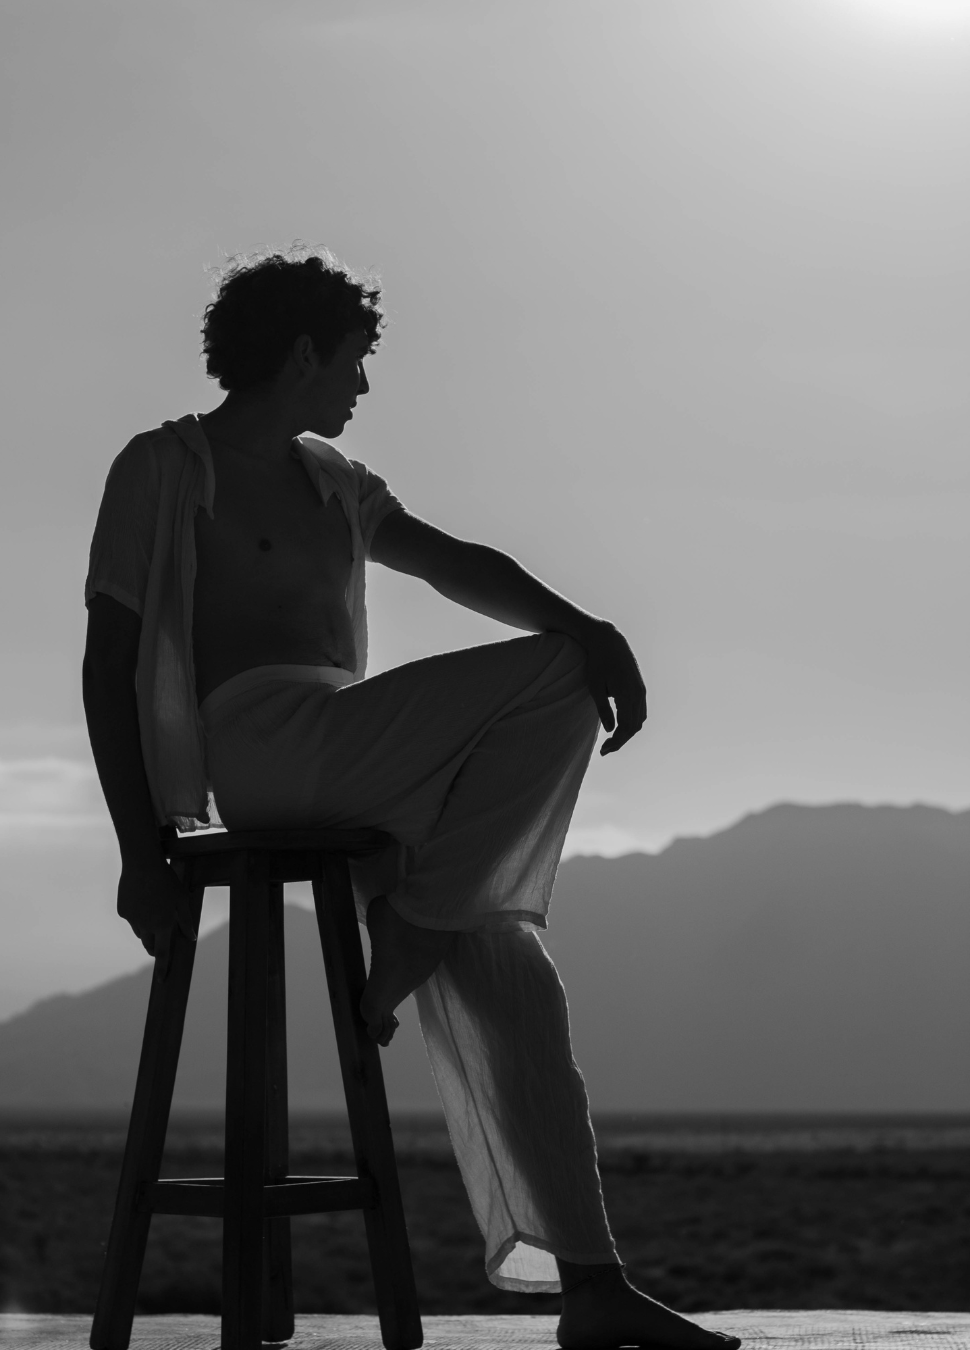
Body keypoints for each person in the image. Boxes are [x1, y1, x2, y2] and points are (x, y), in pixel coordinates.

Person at [82, 247, 739, 1350]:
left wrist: (580, 616)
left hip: (362, 753)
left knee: (518, 984)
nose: (363, 387)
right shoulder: (164, 467)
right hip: (262, 750)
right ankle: (419, 925)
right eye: (353, 361)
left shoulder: (334, 479)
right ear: (302, 355)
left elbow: (453, 563)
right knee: (558, 672)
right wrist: (138, 849)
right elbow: (108, 663)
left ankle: (590, 1285)